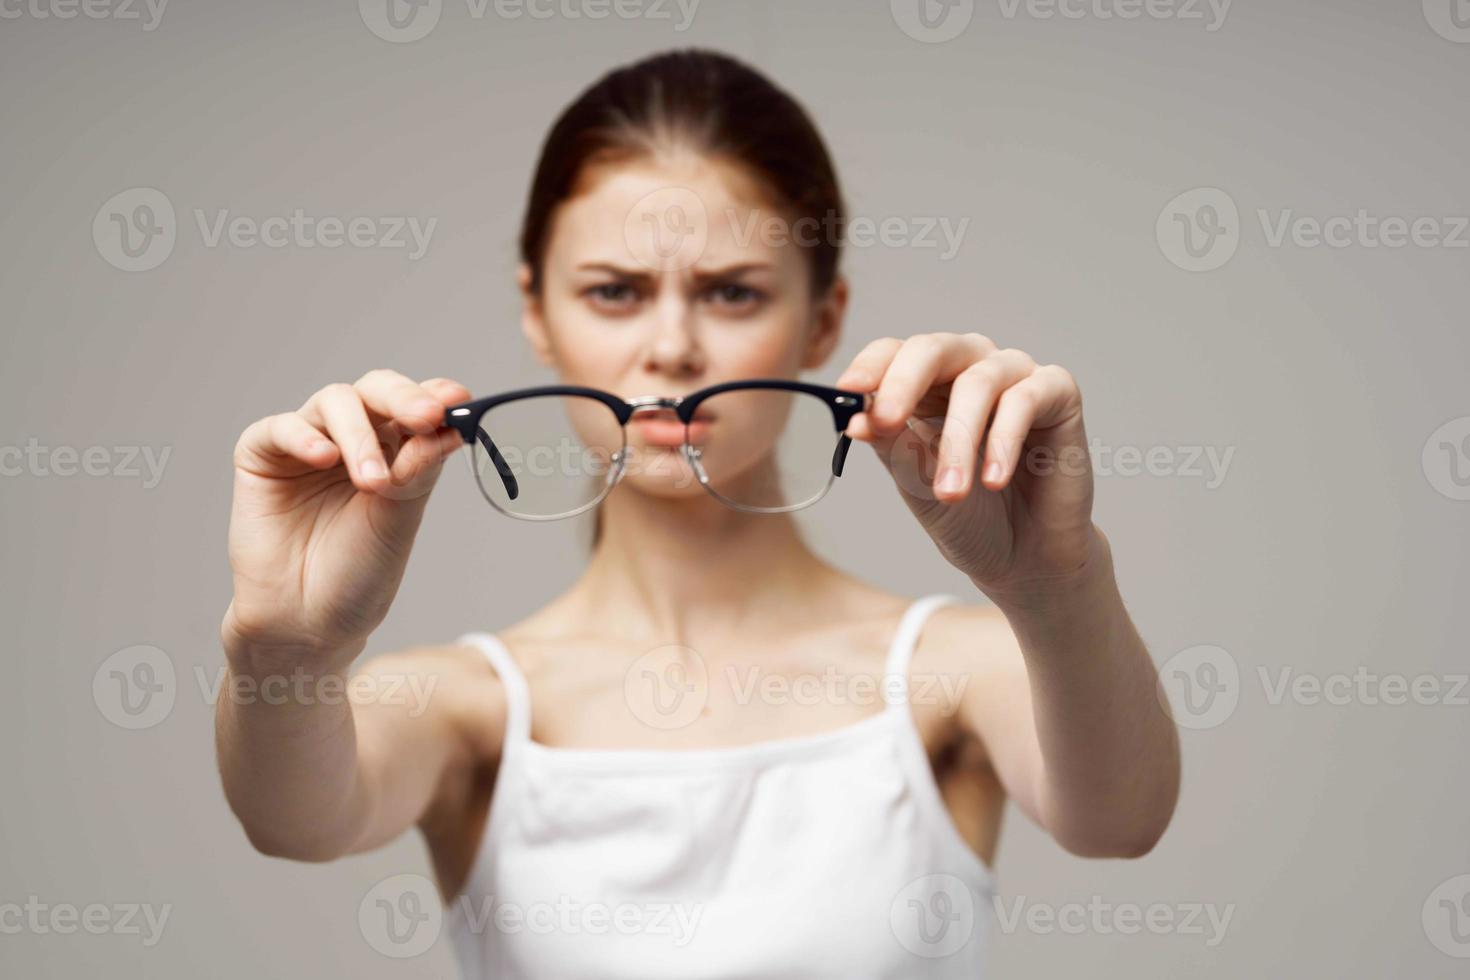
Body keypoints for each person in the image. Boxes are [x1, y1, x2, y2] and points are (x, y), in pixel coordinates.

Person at [216, 48, 1180, 978]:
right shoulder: (468, 711)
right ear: (538, 311)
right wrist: (285, 650)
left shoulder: (953, 678)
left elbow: (1121, 820)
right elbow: (292, 821)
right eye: (614, 292)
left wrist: (1056, 586)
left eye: (731, 292)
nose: (672, 348)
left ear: (823, 317)